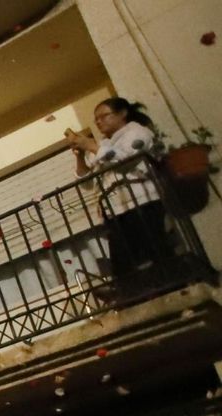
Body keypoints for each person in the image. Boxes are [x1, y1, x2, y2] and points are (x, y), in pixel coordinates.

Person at [66, 96, 171, 302]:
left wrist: (92, 146)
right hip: (116, 208)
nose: (99, 122)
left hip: (141, 200)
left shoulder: (137, 132)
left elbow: (125, 160)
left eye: (104, 116)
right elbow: (87, 182)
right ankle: (127, 294)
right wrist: (80, 157)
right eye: (96, 119)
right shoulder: (105, 144)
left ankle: (170, 286)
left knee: (154, 247)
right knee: (122, 257)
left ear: (123, 113)